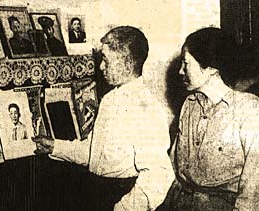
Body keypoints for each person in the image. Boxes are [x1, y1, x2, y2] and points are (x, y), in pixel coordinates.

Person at [33, 26, 174, 210]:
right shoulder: (109, 99)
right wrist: (55, 146)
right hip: (97, 191)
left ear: (126, 63)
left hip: (122, 195)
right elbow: (93, 153)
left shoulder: (146, 108)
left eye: (106, 61)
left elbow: (157, 175)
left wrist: (123, 208)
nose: (101, 67)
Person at [166, 27, 259, 211]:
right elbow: (173, 166)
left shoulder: (248, 109)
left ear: (210, 68)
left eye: (186, 64)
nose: (180, 71)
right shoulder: (189, 105)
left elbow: (253, 187)